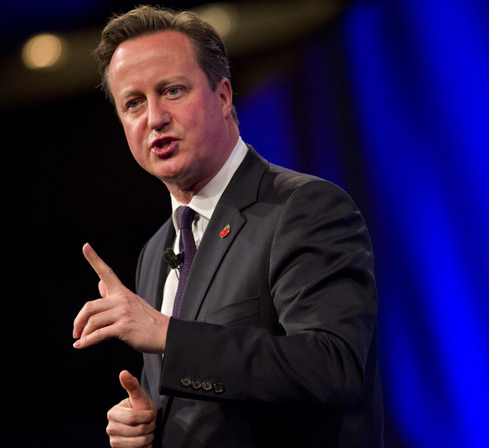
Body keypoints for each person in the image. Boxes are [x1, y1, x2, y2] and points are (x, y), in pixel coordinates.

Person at [72, 5, 382, 447]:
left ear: (222, 97)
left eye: (172, 91)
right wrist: (150, 424)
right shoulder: (155, 251)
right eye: (134, 103)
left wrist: (166, 334)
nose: (154, 117)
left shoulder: (303, 208)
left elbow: (331, 368)